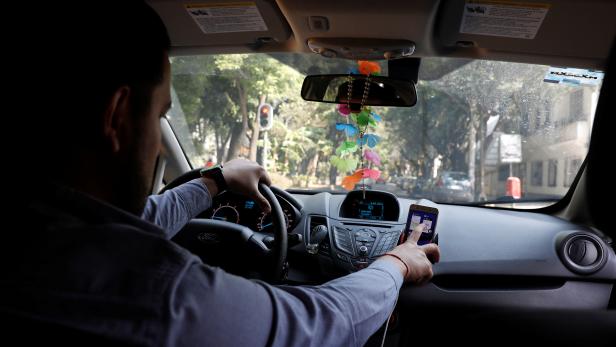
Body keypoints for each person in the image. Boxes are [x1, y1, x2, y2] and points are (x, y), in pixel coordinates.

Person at [3, 2, 440, 346]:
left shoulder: (43, 236)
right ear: (116, 116)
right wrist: (397, 262)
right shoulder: (155, 292)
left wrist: (214, 180)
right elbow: (317, 325)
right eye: (160, 117)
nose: (158, 142)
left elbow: (143, 219)